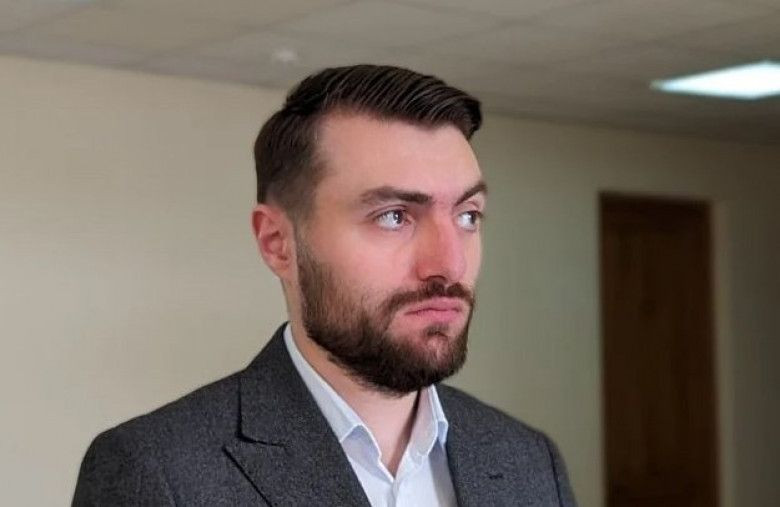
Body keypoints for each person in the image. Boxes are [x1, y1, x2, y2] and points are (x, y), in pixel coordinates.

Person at [72, 64, 576, 506]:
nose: (449, 264)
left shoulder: (528, 461)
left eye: (468, 216)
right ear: (278, 243)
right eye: (394, 216)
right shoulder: (157, 472)